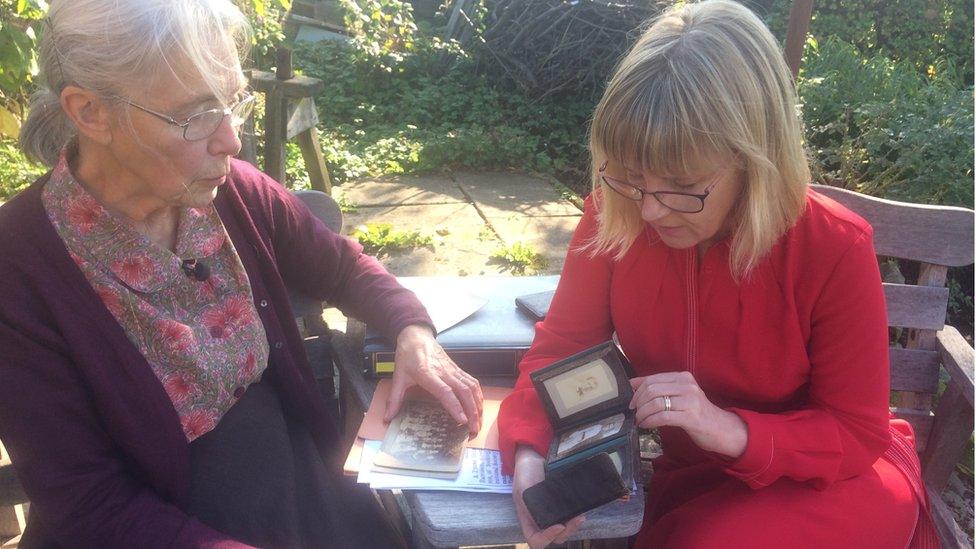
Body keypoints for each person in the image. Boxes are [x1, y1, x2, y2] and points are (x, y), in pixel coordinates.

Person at [0, 1, 483, 547]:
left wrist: (414, 335)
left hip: (298, 489)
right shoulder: (16, 269)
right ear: (90, 112)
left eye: (234, 103)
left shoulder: (232, 193)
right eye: (197, 114)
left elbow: (344, 267)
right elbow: (89, 504)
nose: (231, 139)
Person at [497, 1, 937, 548]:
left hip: (832, 478)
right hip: (698, 481)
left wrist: (730, 428)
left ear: (755, 159)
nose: (651, 210)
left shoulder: (833, 247)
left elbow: (855, 432)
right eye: (632, 177)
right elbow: (559, 354)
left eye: (682, 184)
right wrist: (531, 455)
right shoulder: (615, 214)